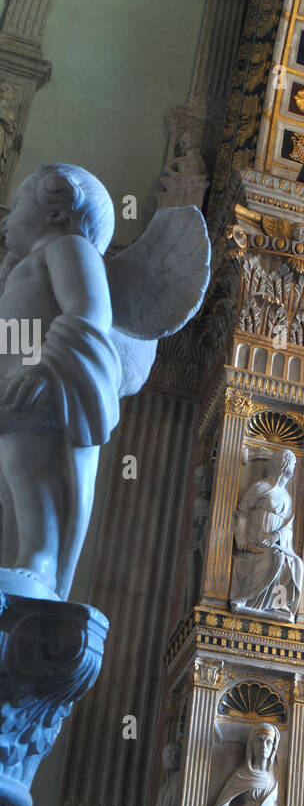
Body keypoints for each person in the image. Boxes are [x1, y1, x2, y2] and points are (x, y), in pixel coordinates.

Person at [0, 162, 208, 599]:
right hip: (14, 392)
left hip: (45, 390)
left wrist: (47, 370)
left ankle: (39, 562)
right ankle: (22, 558)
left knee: (34, 473)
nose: (6, 218)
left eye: (17, 205)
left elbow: (90, 313)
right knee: (14, 479)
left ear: (57, 212)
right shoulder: (26, 263)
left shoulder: (68, 249)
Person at [230, 449, 303, 618]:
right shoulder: (261, 487)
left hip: (272, 543)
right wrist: (240, 536)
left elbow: (288, 527)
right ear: (283, 464)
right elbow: (241, 512)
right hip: (254, 541)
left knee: (294, 563)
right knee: (277, 558)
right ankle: (244, 599)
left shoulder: (287, 497)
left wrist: (276, 537)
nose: (294, 466)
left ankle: (278, 605)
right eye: (292, 462)